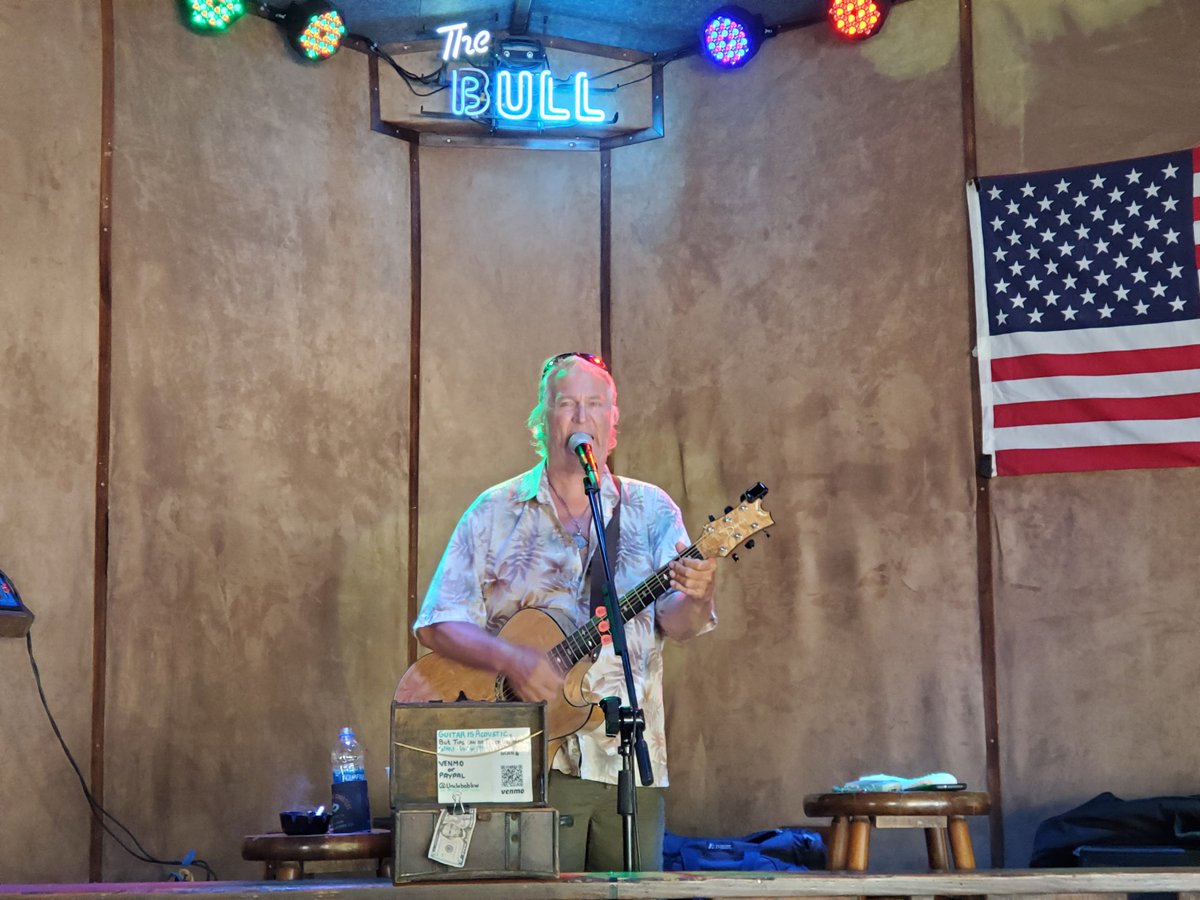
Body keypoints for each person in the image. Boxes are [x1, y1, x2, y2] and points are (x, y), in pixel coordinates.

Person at [413, 352, 718, 872]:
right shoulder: (494, 510)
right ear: (542, 422)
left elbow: (678, 623)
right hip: (526, 764)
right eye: (566, 403)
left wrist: (699, 592)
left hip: (629, 765)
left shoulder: (653, 510)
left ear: (612, 425)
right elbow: (437, 623)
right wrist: (512, 660)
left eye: (594, 403)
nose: (581, 416)